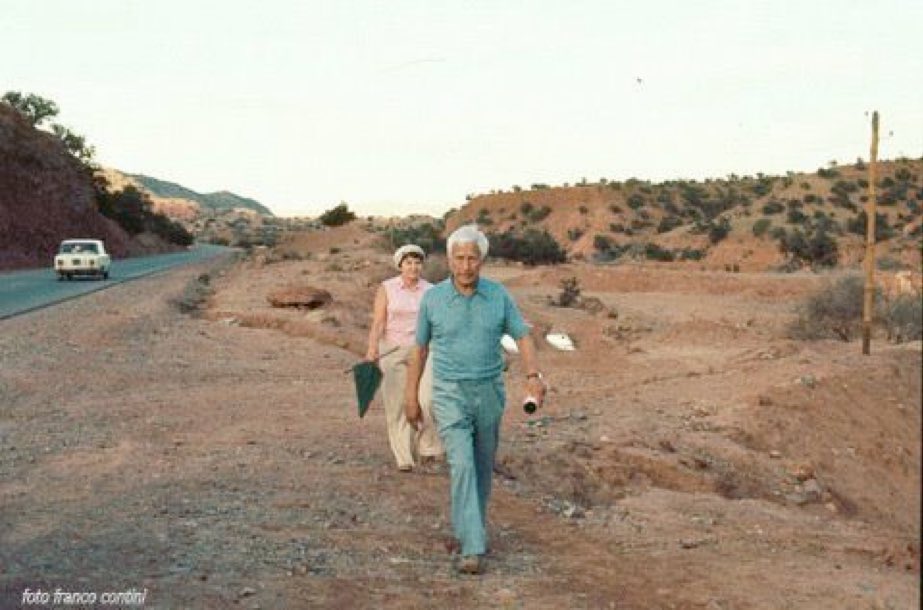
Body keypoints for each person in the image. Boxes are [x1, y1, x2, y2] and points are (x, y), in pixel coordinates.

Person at [404, 225, 546, 575]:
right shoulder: (433, 299)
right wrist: (411, 396)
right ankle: (472, 547)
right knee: (462, 464)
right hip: (449, 392)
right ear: (449, 259)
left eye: (472, 258)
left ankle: (470, 528)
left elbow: (523, 336)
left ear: (482, 260)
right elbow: (419, 350)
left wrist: (532, 376)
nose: (465, 266)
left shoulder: (498, 296)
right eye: (459, 258)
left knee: (482, 467)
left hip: (489, 392)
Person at [365, 244, 443, 472]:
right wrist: (372, 348)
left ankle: (428, 448)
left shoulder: (431, 290)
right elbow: (379, 321)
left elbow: (437, 322)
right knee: (397, 403)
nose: (413, 267)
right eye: (408, 263)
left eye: (417, 263)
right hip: (393, 349)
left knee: (426, 399)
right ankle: (404, 456)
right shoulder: (387, 288)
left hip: (423, 349)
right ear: (400, 265)